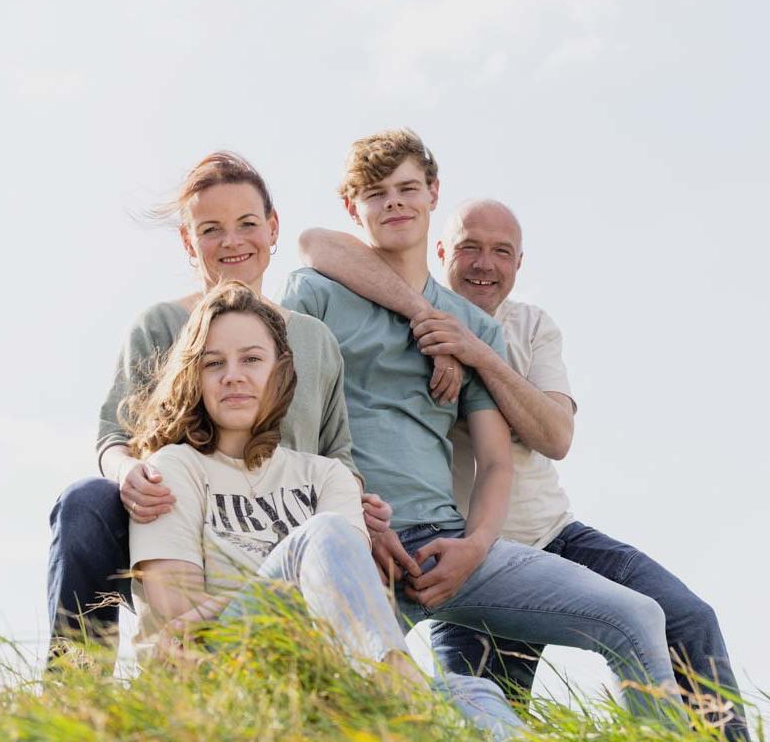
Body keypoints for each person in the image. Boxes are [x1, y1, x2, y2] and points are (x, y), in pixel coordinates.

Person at [299, 197, 747, 738]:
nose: (484, 264)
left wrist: (478, 354)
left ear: (519, 264)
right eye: (469, 248)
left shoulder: (529, 326)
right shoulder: (388, 306)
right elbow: (316, 242)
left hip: (554, 536)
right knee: (486, 710)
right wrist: (426, 318)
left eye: (501, 252)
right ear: (440, 251)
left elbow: (556, 436)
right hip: (454, 552)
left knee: (687, 618)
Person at [125, 280, 524, 740]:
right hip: (216, 671)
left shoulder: (327, 475)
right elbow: (181, 620)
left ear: (281, 372)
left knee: (475, 693)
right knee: (326, 534)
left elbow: (348, 594)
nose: (233, 375)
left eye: (252, 359)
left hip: (318, 672)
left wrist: (301, 595)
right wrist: (300, 582)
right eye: (214, 363)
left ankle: (405, 692)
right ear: (194, 376)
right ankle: (406, 691)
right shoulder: (172, 468)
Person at [47, 151, 392, 650]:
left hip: (281, 533)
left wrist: (354, 505)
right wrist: (130, 475)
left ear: (273, 228)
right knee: (84, 502)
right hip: (180, 528)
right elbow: (113, 436)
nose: (232, 241)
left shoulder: (315, 342)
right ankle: (76, 686)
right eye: (210, 229)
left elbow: (336, 451)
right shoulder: (158, 326)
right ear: (189, 241)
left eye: (247, 223)